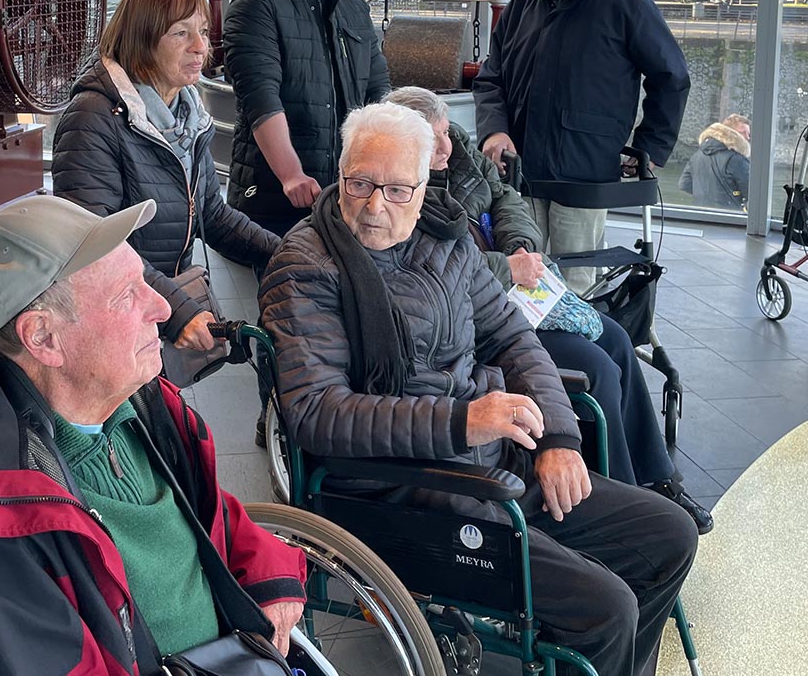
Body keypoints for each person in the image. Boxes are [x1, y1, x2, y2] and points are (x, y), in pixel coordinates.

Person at [259, 102, 697, 675]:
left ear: (423, 187)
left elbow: (513, 338)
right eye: (360, 183)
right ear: (339, 172)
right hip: (400, 490)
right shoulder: (306, 268)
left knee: (669, 533)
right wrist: (463, 421)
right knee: (606, 608)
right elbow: (318, 414)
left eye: (395, 190)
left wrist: (560, 438)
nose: (372, 206)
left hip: (493, 463)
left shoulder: (446, 240)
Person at [0, 195, 307, 673]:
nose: (163, 308)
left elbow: (204, 512)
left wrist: (269, 572)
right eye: (127, 294)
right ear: (43, 338)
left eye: (144, 282)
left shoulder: (139, 405)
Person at [389, 86, 712, 533]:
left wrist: (519, 245)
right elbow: (439, 268)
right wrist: (507, 268)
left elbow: (506, 199)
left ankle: (658, 479)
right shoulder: (401, 192)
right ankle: (620, 496)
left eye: (445, 131)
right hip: (477, 320)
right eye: (433, 138)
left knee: (617, 339)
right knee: (597, 369)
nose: (445, 144)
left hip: (514, 293)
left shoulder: (458, 152)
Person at [54, 0, 279, 352]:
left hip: (154, 300)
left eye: (204, 32)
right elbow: (94, 243)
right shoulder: (94, 117)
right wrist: (175, 311)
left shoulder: (186, 114)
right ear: (141, 39)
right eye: (180, 34)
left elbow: (212, 213)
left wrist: (287, 255)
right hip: (113, 315)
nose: (200, 47)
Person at [473, 0, 690, 294]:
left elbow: (670, 76)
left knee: (576, 282)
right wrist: (494, 132)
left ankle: (577, 355)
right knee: (523, 276)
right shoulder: (522, 7)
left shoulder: (622, 1)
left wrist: (650, 148)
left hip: (584, 171)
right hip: (521, 172)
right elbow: (492, 80)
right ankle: (528, 353)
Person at [223, 0, 390, 237]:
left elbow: (379, 96)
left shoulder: (355, 10)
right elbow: (261, 99)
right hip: (275, 201)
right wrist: (290, 174)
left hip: (345, 200)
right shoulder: (257, 1)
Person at [679, 113, 751, 211]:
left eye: (748, 134)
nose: (747, 137)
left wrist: (705, 196)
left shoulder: (697, 156)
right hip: (729, 216)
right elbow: (751, 193)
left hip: (698, 213)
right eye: (743, 132)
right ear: (731, 133)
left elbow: (684, 184)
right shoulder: (736, 159)